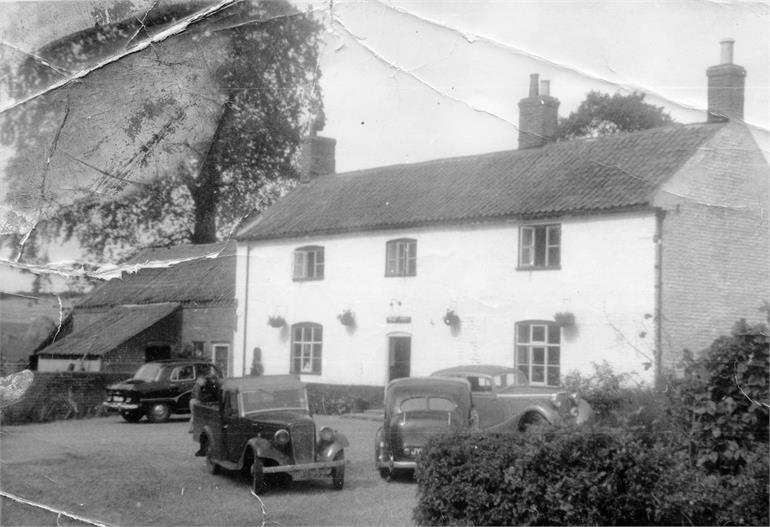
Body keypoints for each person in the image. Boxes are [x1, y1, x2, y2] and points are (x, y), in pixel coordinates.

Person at [190, 373, 220, 455]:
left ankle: (192, 429)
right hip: (202, 404)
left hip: (204, 404)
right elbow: (199, 396)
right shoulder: (202, 387)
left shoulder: (204, 386)